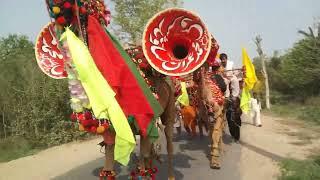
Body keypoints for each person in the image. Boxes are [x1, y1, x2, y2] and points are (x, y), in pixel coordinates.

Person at [220, 53, 241, 142]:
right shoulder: (220, 66)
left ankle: (235, 95)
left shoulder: (231, 64)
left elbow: (236, 73)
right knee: (224, 82)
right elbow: (219, 75)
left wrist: (241, 71)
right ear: (221, 60)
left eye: (224, 59)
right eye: (222, 59)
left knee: (235, 80)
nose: (223, 60)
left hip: (232, 77)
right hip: (225, 79)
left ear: (227, 59)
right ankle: (227, 96)